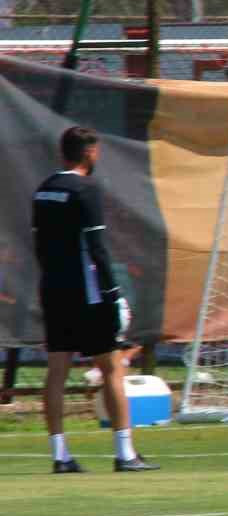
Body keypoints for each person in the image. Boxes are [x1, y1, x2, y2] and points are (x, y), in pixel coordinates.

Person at [31, 125, 158, 473]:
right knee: (112, 368)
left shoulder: (44, 190)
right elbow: (97, 247)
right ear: (89, 153)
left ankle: (60, 456)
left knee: (56, 372)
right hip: (88, 294)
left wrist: (50, 283)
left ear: (63, 153)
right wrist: (113, 294)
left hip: (54, 291)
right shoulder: (85, 188)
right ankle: (125, 454)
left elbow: (39, 245)